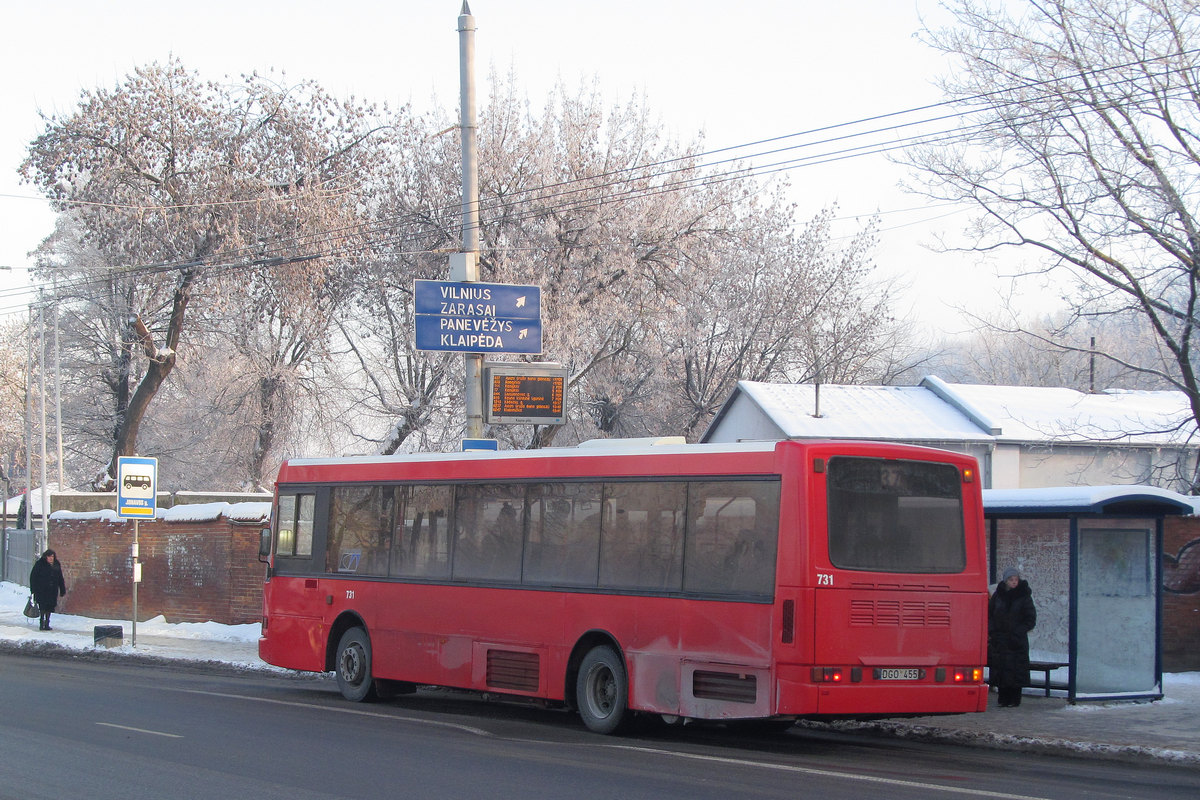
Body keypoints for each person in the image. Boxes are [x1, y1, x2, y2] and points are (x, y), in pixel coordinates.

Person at [988, 566, 1036, 707]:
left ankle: (1015, 700)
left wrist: (1018, 631)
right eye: (1011, 580)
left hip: (1016, 641)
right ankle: (1003, 698)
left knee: (1016, 670)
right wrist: (993, 631)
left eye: (1016, 579)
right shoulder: (998, 595)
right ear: (1005, 581)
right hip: (1000, 640)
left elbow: (1030, 618)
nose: (1014, 582)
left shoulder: (1024, 596)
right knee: (1001, 669)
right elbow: (990, 614)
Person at [29, 549, 67, 631]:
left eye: (52, 556)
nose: (51, 558)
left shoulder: (56, 564)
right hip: (41, 590)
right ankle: (41, 623)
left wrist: (62, 589)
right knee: (42, 606)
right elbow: (33, 577)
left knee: (50, 606)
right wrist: (33, 590)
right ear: (46, 557)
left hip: (52, 590)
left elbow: (60, 577)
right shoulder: (40, 564)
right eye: (49, 556)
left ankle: (47, 624)